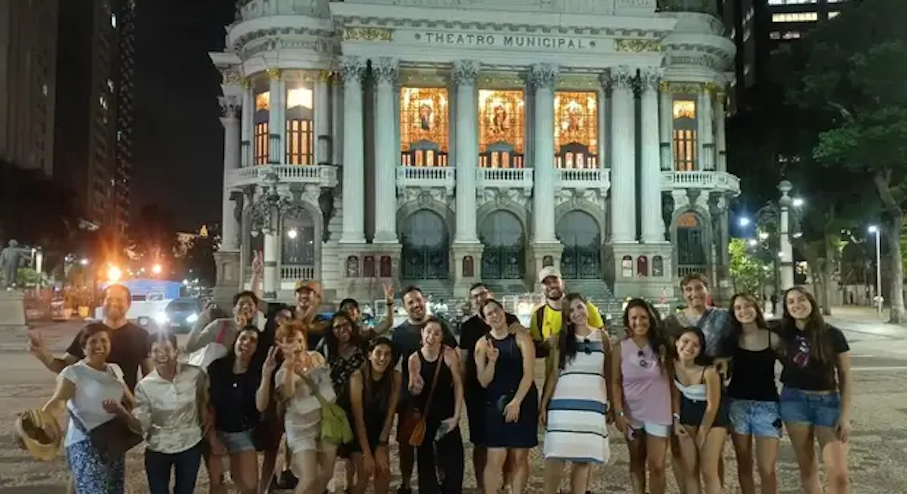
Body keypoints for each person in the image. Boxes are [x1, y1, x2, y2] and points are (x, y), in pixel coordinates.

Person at [105, 332, 208, 494]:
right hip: (159, 448)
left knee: (185, 490)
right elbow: (141, 426)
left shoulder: (195, 374)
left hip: (190, 445)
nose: (161, 354)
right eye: (155, 350)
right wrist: (121, 412)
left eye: (166, 349)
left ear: (176, 351)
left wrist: (206, 427)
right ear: (150, 354)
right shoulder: (145, 386)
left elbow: (205, 400)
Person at [41, 324, 134, 494]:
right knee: (93, 490)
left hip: (113, 442)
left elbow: (131, 401)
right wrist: (41, 419)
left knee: (113, 489)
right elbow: (59, 400)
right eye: (93, 342)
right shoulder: (73, 372)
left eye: (104, 341)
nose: (99, 346)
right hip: (85, 442)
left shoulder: (115, 369)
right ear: (83, 348)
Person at [778, 287, 851, 494]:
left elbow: (845, 375)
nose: (796, 305)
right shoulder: (782, 332)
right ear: (786, 308)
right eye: (790, 302)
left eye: (801, 299)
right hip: (793, 402)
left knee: (839, 474)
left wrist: (844, 416)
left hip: (827, 403)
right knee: (807, 468)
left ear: (811, 302)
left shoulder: (833, 334)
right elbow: (749, 331)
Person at [662, 273, 732, 488]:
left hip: (712, 385)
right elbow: (666, 351)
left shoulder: (723, 317)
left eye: (699, 288)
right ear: (683, 293)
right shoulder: (673, 322)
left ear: (706, 289)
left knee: (711, 461)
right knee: (685, 459)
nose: (695, 294)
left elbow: (736, 345)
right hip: (684, 389)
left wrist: (726, 360)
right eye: (689, 290)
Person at [540, 293, 612, 494]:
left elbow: (609, 372)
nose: (577, 313)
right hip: (563, 405)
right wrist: (544, 404)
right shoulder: (560, 339)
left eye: (579, 307)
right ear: (566, 316)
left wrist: (611, 403)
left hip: (592, 405)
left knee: (583, 458)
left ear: (587, 308)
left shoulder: (602, 336)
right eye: (571, 311)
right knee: (555, 456)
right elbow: (553, 374)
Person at [391, 286, 458, 494]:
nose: (415, 305)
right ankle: (406, 482)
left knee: (439, 445)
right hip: (410, 400)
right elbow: (393, 367)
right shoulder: (399, 333)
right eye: (410, 302)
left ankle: (438, 484)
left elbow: (453, 356)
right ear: (405, 307)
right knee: (407, 443)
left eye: (418, 300)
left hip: (439, 398)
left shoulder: (440, 326)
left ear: (424, 300)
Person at [30, 284, 152, 391]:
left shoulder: (141, 335)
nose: (114, 303)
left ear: (129, 304)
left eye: (119, 300)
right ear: (102, 302)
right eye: (109, 299)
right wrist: (46, 357)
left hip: (126, 408)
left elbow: (149, 376)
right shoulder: (89, 332)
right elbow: (65, 366)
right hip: (89, 411)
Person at [458, 282, 521, 489]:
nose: (480, 298)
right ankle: (482, 485)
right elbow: (465, 360)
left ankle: (507, 483)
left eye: (483, 294)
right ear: (471, 301)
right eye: (475, 296)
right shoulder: (468, 327)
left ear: (491, 295)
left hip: (507, 386)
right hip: (477, 391)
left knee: (509, 440)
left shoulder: (511, 320)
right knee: (481, 441)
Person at [474, 299, 538, 494]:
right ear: (485, 320)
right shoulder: (482, 343)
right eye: (490, 314)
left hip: (523, 398)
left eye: (497, 310)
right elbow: (483, 380)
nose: (495, 315)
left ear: (503, 311)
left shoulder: (521, 338)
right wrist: (492, 361)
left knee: (519, 455)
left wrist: (517, 402)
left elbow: (528, 374)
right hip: (495, 402)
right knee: (495, 455)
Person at [611, 299, 673, 494]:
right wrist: (619, 412)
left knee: (657, 465)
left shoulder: (664, 346)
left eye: (643, 317)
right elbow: (615, 381)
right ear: (628, 321)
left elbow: (674, 379)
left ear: (651, 318)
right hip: (632, 413)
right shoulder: (620, 348)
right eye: (634, 318)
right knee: (636, 462)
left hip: (659, 411)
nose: (639, 322)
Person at [726, 293, 782, 494]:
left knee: (767, 468)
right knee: (744, 463)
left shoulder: (772, 338)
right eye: (738, 308)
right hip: (737, 405)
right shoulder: (731, 341)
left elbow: (794, 366)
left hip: (767, 406)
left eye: (747, 306)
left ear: (756, 308)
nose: (743, 311)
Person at [275, 319, 339, 494]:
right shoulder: (283, 371)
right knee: (308, 477)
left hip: (324, 423)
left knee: (325, 474)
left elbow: (328, 390)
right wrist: (289, 366)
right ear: (282, 346)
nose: (296, 345)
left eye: (299, 340)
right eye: (290, 341)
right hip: (300, 428)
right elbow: (287, 394)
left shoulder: (316, 357)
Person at [407, 317, 465, 494]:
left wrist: (456, 416)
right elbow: (413, 390)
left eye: (437, 333)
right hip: (425, 416)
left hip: (446, 415)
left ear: (442, 337)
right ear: (422, 334)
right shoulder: (414, 358)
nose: (432, 336)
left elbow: (458, 385)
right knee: (426, 463)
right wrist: (415, 387)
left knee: (453, 461)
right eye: (429, 331)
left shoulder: (448, 354)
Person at [205, 326, 266, 494]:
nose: (246, 343)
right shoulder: (217, 368)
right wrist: (212, 438)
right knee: (217, 483)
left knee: (249, 486)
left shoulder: (258, 373)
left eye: (253, 340)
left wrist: (267, 376)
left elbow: (262, 405)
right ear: (236, 341)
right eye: (243, 338)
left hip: (243, 432)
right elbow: (207, 404)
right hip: (216, 430)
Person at [673, 327, 729, 494]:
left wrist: (702, 433)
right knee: (689, 471)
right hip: (687, 415)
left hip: (712, 419)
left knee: (708, 471)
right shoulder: (672, 366)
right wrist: (676, 420)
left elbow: (713, 406)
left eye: (695, 345)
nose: (689, 347)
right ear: (677, 343)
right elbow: (675, 396)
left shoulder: (709, 372)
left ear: (700, 350)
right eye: (685, 342)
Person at [348, 337, 402, 494]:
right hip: (358, 434)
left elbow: (390, 414)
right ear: (369, 354)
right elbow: (358, 418)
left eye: (387, 354)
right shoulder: (357, 378)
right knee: (364, 475)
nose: (382, 358)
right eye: (378, 353)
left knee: (384, 474)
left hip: (379, 431)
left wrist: (381, 445)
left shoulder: (395, 377)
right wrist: (367, 452)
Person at [324, 311, 368, 493]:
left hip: (357, 408)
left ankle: (353, 488)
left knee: (361, 461)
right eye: (337, 327)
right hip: (334, 410)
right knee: (331, 460)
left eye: (345, 325)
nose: (342, 330)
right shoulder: (328, 350)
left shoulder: (363, 347)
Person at [186, 291, 260, 354]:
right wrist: (201, 319)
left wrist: (242, 329)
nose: (245, 307)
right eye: (241, 304)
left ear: (255, 311)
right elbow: (191, 347)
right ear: (234, 310)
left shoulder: (257, 333)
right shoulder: (219, 326)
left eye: (250, 304)